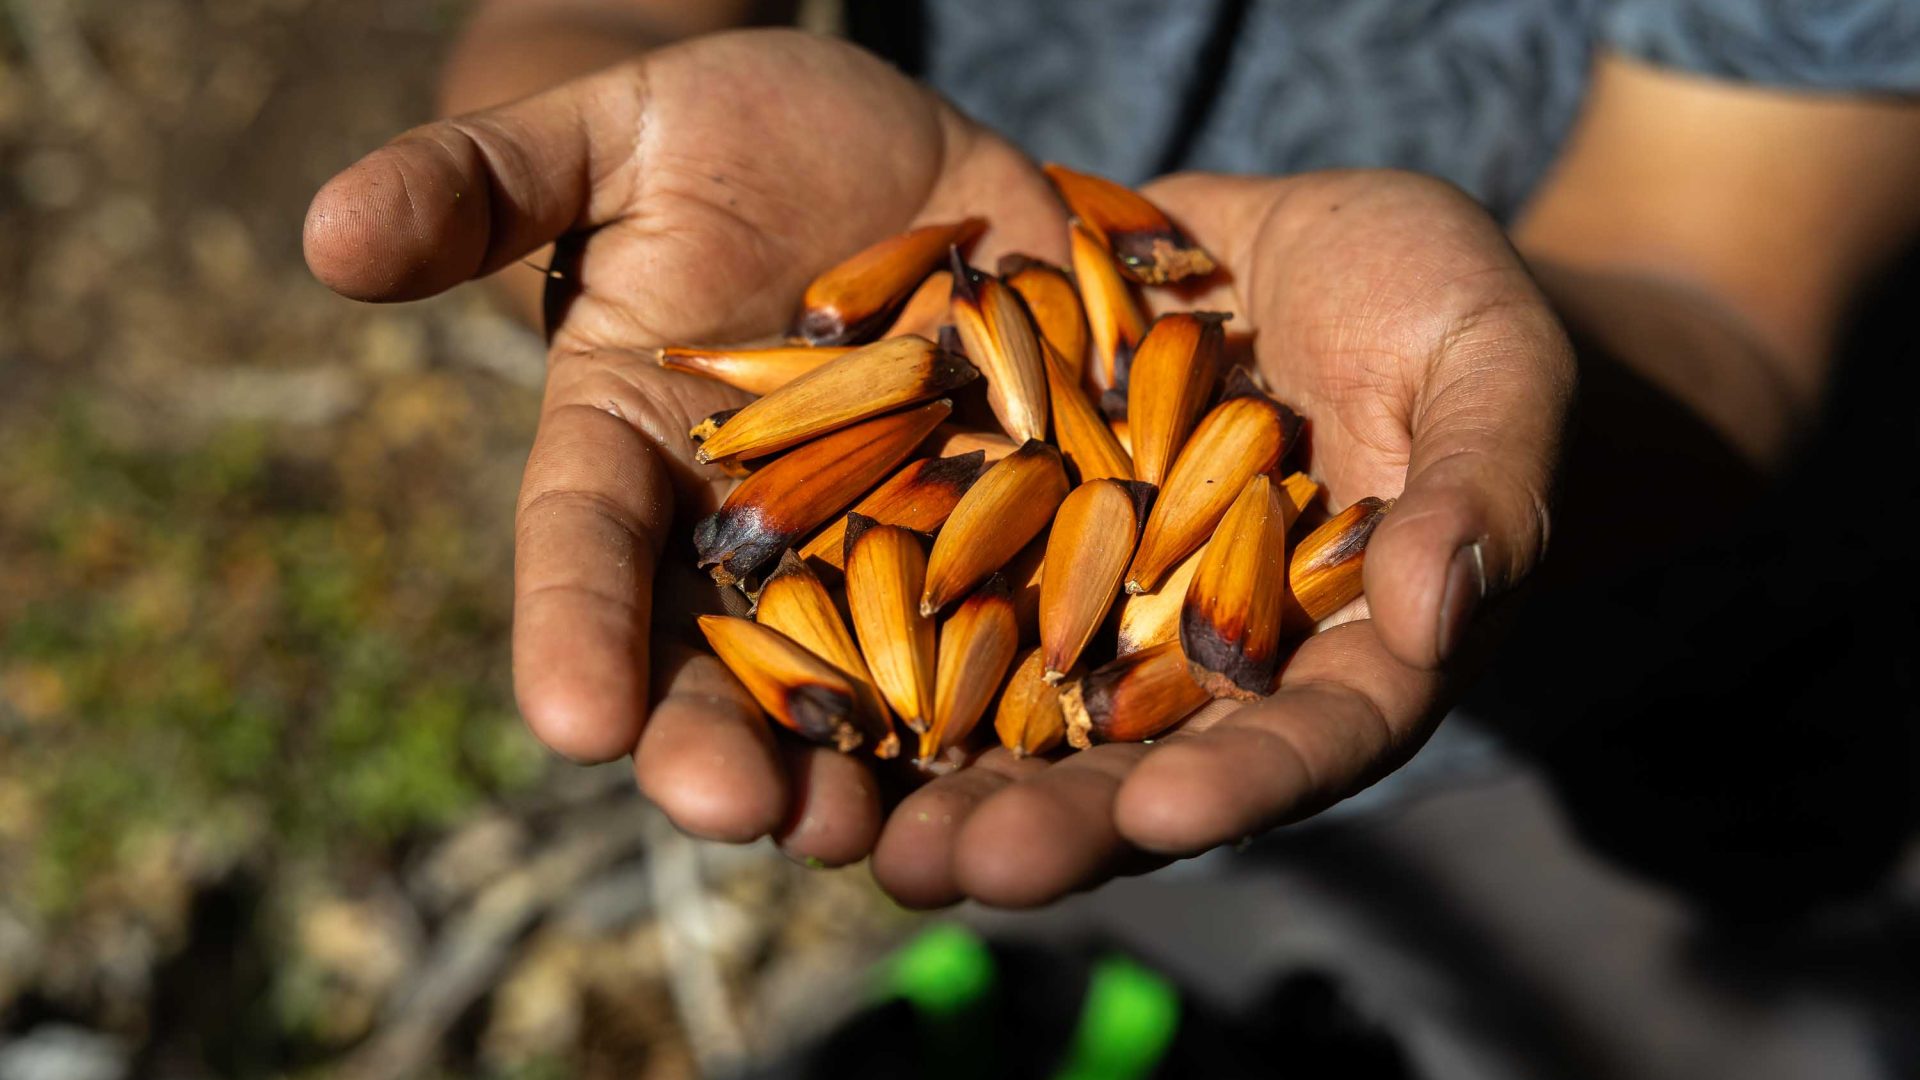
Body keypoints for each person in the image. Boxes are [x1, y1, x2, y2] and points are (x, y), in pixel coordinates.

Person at [302, 0, 1920, 911]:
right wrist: (622, 202)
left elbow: (1728, 291)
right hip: (1186, 687)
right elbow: (597, 23)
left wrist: (1499, 397)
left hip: (1602, 621)